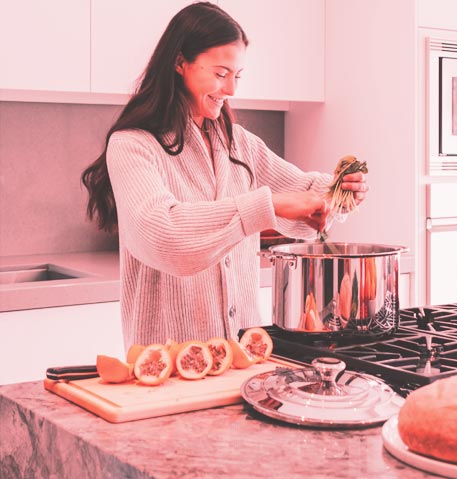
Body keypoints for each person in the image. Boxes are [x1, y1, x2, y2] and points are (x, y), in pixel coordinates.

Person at [81, 2, 368, 350]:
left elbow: (303, 191)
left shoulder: (238, 143)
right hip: (168, 360)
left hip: (244, 355)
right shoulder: (133, 145)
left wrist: (339, 191)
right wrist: (267, 206)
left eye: (237, 75)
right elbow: (163, 234)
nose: (231, 89)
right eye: (220, 74)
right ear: (179, 62)